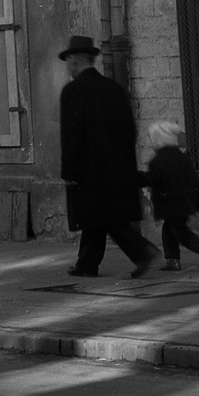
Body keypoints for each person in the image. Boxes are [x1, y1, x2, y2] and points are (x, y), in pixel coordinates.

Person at [58, 34, 158, 279]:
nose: (68, 68)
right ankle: (87, 263)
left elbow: (72, 136)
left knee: (104, 217)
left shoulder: (73, 91)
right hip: (116, 166)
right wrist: (122, 160)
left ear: (75, 62)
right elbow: (130, 130)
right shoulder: (113, 88)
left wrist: (69, 172)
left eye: (69, 62)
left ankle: (143, 250)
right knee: (97, 217)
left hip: (88, 168)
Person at [145, 120, 199, 271]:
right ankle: (172, 259)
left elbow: (152, 179)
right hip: (185, 203)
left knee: (178, 231)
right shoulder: (184, 159)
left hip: (170, 204)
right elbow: (195, 182)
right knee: (169, 229)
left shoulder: (158, 161)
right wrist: (198, 204)